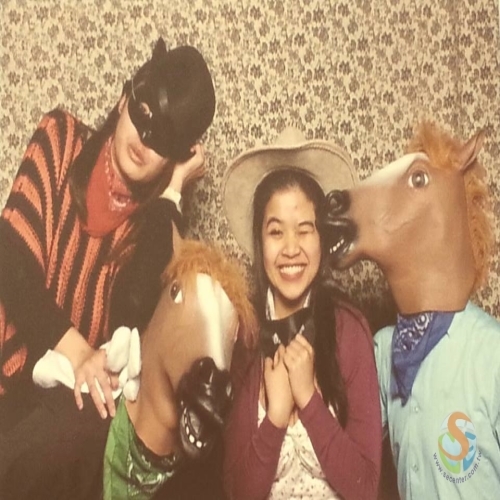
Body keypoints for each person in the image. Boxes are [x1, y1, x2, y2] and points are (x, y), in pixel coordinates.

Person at [0, 37, 216, 499]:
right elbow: (10, 261)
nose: (144, 139)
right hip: (5, 375)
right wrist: (78, 351)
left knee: (91, 424)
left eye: (164, 140)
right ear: (123, 99)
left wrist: (173, 191)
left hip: (52, 412)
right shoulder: (60, 138)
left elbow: (129, 317)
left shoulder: (152, 228)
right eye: (142, 114)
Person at [222, 128, 382, 499]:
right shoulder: (242, 334)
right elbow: (235, 493)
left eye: (305, 230)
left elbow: (366, 489)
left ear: (322, 238)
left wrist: (309, 400)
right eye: (276, 232)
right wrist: (275, 417)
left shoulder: (349, 330)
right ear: (260, 241)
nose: (291, 248)